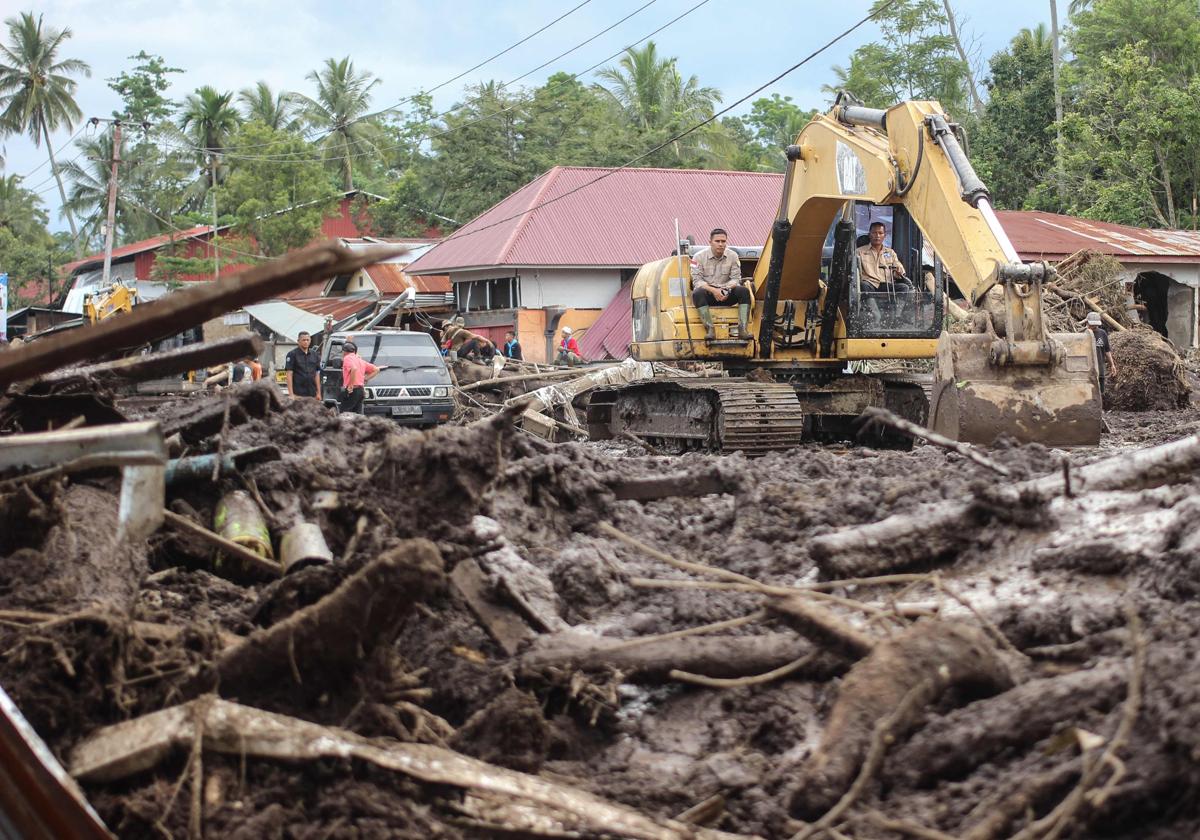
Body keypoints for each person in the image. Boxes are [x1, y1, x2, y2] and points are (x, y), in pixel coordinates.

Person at [690, 228, 752, 340]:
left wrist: (725, 290)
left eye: (723, 241)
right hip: (708, 295)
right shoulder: (697, 257)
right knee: (697, 293)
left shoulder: (733, 256)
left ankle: (743, 329)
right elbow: (697, 281)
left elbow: (736, 279)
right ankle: (710, 329)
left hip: (726, 293)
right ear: (710, 242)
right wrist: (714, 291)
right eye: (717, 241)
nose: (720, 244)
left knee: (744, 291)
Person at [857, 221, 911, 325]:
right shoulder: (859, 252)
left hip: (886, 284)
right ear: (869, 234)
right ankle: (876, 316)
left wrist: (899, 270)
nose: (877, 236)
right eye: (874, 233)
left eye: (880, 233)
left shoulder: (890, 253)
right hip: (870, 284)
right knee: (863, 285)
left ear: (884, 235)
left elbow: (898, 268)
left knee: (904, 287)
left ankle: (897, 316)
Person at [340, 340, 382, 414]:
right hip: (360, 390)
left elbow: (354, 369)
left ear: (345, 352)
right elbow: (376, 369)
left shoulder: (347, 358)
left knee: (345, 414)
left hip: (353, 390)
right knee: (358, 414)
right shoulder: (360, 360)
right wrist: (365, 378)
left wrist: (350, 385)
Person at [1086, 311, 1117, 396]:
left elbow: (1107, 351)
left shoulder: (1102, 333)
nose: (1094, 327)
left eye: (1096, 325)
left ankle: (1101, 406)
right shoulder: (1083, 334)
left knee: (1101, 390)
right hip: (1088, 368)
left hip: (1100, 366)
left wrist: (1112, 365)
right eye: (1092, 325)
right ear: (1087, 322)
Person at [285, 331, 322, 400]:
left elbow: (317, 374)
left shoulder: (315, 355)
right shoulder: (292, 354)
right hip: (298, 394)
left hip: (312, 393)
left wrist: (319, 393)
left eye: (307, 340)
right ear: (298, 341)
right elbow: (289, 374)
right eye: (303, 340)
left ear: (310, 341)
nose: (306, 342)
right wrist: (291, 394)